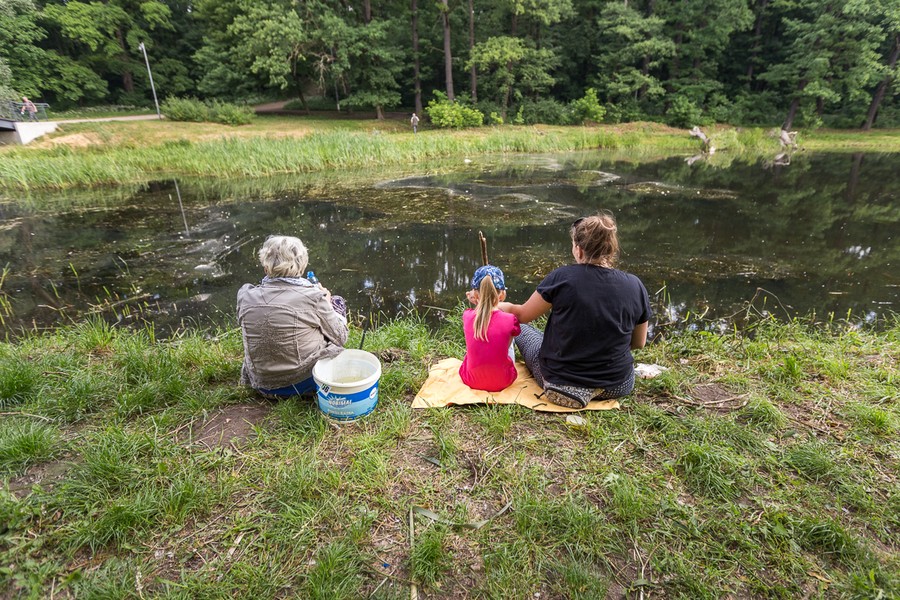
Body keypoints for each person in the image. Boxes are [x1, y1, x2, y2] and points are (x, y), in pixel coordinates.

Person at [498, 212, 651, 408]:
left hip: (560, 382)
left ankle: (575, 390)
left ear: (578, 250)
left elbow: (521, 315)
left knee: (524, 331)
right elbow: (639, 342)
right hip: (617, 384)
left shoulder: (562, 277)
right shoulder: (635, 285)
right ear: (611, 250)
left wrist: (494, 305)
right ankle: (594, 390)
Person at [237, 235, 349, 398]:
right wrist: (328, 303)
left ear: (266, 267)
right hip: (302, 382)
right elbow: (340, 338)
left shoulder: (245, 295)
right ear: (302, 266)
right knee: (337, 302)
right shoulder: (313, 298)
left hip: (261, 383)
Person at [459, 265, 521, 392]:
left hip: (471, 380)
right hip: (504, 380)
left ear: (475, 295)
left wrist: (476, 299)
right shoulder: (510, 319)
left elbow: (482, 309)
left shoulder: (467, 316)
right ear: (502, 295)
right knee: (509, 338)